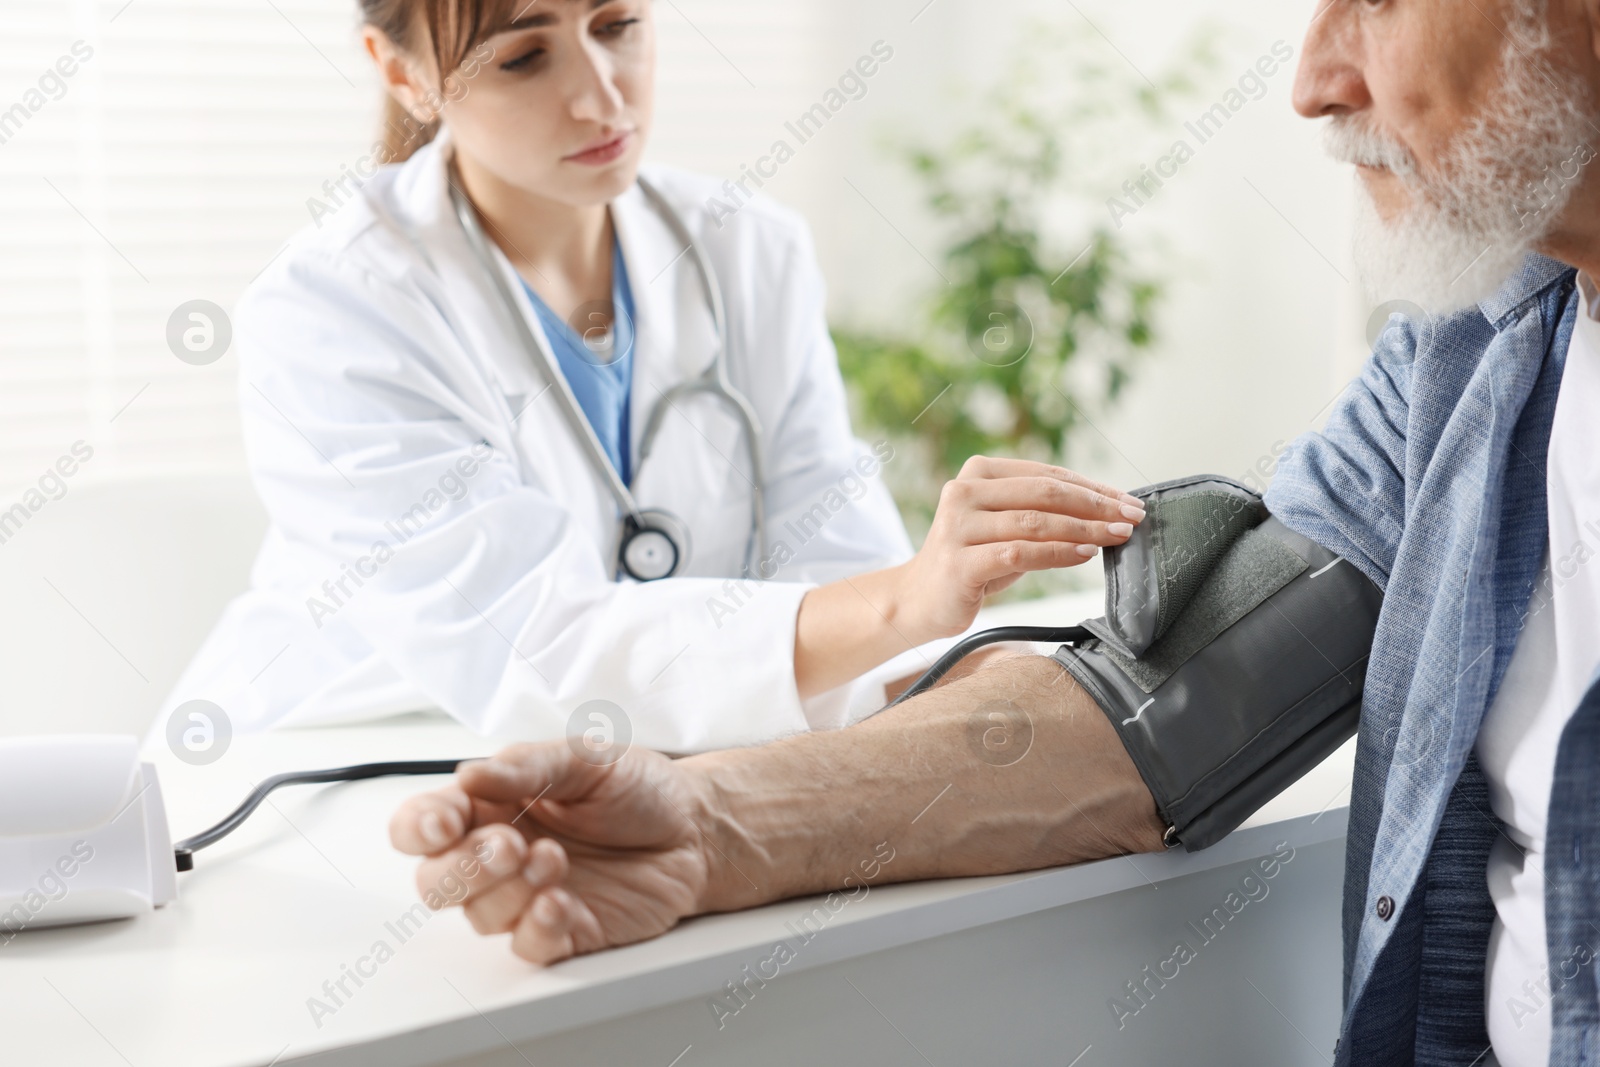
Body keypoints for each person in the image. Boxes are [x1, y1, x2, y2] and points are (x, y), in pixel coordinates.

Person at [391, 1, 1600, 1064]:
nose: (1313, 81)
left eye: (1378, 1)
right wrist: (709, 822)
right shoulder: (1472, 350)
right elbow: (1163, 710)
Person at [159, 0, 1146, 746]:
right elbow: (537, 649)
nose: (600, 93)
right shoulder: (334, 311)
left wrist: (949, 635)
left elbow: (834, 558)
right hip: (341, 773)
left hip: (648, 762)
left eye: (617, 23)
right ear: (404, 73)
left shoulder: (746, 251)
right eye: (524, 54)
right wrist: (900, 602)